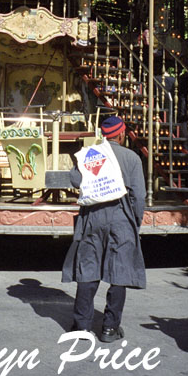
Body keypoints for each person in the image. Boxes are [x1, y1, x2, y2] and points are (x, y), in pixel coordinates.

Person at [62, 115, 146, 342]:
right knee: (119, 273)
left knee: (88, 270)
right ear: (121, 134)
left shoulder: (92, 154)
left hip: (92, 218)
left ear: (104, 135)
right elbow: (139, 196)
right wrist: (135, 222)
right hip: (122, 219)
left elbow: (74, 179)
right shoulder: (132, 158)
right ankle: (110, 329)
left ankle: (81, 326)